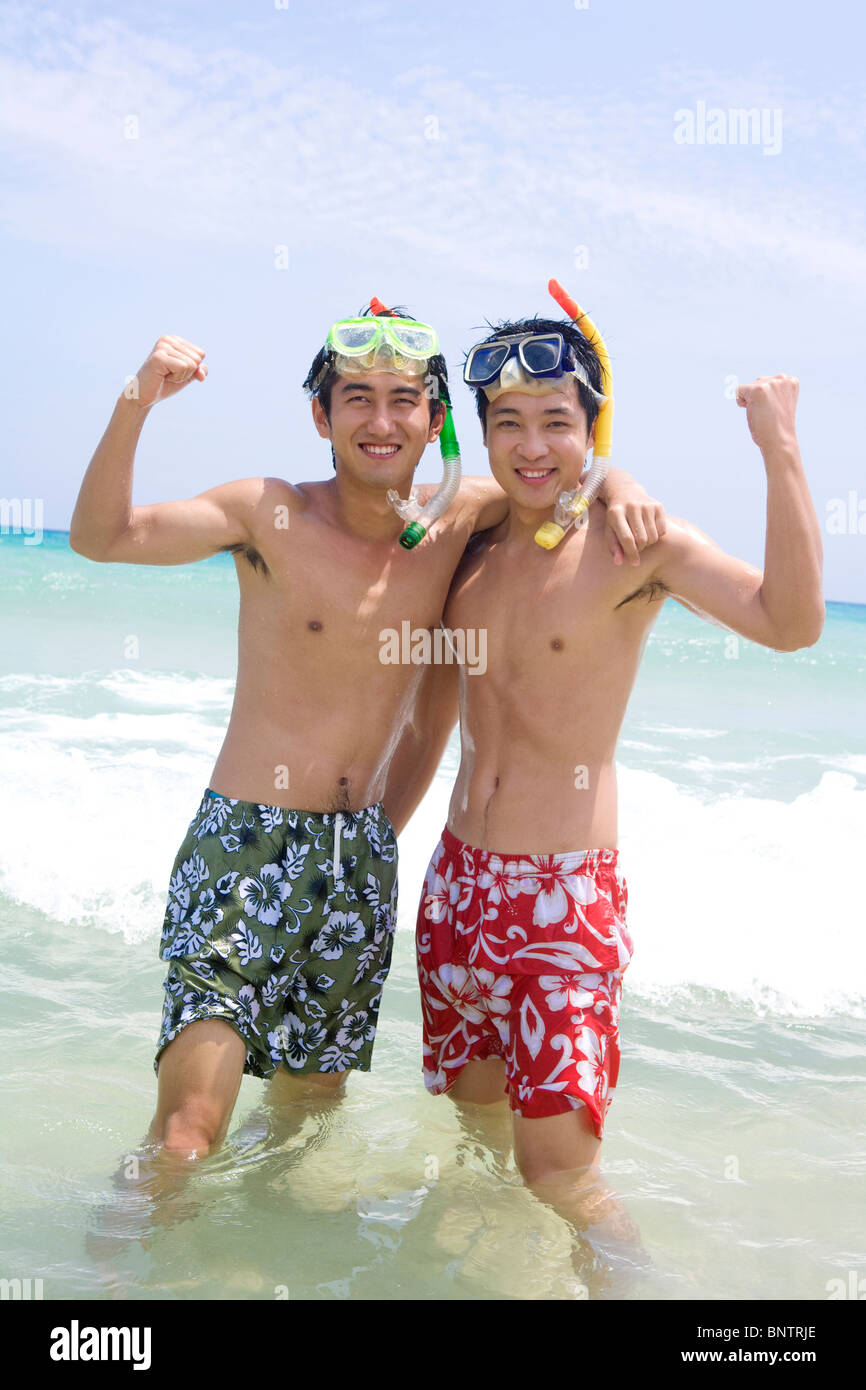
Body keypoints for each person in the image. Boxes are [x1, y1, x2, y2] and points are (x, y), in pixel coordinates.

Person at [69, 304, 663, 1163]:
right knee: (188, 1133)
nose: (380, 422)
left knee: (306, 1123)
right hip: (246, 844)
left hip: (360, 860)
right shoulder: (265, 512)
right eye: (356, 398)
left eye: (401, 400)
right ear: (322, 416)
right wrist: (138, 399)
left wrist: (623, 483)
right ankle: (116, 1285)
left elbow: (561, 469)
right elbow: (102, 537)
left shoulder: (456, 523)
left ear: (435, 423)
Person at [415, 304, 824, 1250]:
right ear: (481, 436)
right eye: (507, 423)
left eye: (556, 422)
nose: (531, 446)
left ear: (591, 426)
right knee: (475, 1145)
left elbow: (790, 621)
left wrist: (779, 448)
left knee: (562, 1176)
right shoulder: (472, 542)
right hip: (455, 892)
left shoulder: (635, 545)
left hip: (562, 900)